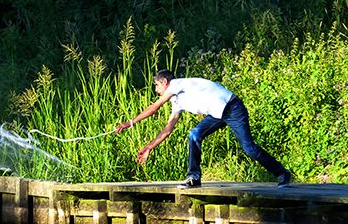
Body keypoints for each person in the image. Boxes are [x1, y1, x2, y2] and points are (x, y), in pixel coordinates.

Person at [116, 69, 292, 188]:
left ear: (164, 82)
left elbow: (154, 107)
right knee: (194, 134)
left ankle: (282, 173)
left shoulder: (176, 84)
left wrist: (130, 123)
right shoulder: (176, 100)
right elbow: (168, 129)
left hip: (233, 108)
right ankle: (194, 178)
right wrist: (149, 147)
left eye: (156, 85)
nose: (155, 89)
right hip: (216, 114)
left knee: (249, 148)